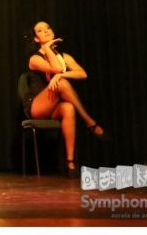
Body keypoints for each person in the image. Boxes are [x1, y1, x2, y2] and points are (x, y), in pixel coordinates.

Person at [23, 20, 107, 178]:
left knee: (68, 107)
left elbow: (82, 73)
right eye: (40, 31)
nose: (46, 31)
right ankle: (88, 120)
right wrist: (48, 49)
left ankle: (70, 162)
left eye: (48, 28)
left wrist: (62, 74)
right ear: (36, 39)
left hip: (54, 107)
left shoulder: (64, 56)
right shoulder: (35, 59)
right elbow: (56, 68)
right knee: (61, 83)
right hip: (37, 106)